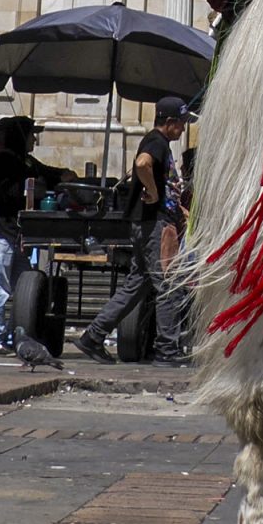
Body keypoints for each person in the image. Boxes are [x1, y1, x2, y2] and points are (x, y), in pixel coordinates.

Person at [76, 99, 191, 365]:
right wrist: (151, 191)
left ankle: (93, 336)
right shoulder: (157, 143)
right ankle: (167, 350)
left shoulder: (156, 141)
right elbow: (142, 164)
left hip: (145, 224)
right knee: (168, 286)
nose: (183, 129)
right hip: (155, 226)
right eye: (182, 124)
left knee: (136, 285)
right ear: (171, 122)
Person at [0, 115, 70, 354]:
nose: (34, 140)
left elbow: (47, 172)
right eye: (31, 135)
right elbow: (9, 192)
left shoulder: (24, 161)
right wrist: (35, 187)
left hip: (15, 235)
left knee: (22, 286)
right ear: (20, 137)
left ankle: (10, 334)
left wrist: (63, 175)